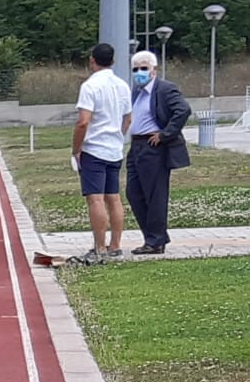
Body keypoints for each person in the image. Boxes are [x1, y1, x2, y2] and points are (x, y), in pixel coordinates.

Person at [69, 42, 133, 265]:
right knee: (113, 197)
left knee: (95, 198)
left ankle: (99, 247)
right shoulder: (123, 85)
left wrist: (76, 149)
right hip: (114, 148)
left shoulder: (90, 86)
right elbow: (128, 118)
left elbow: (83, 121)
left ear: (92, 60)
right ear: (113, 61)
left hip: (94, 148)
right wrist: (117, 136)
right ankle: (115, 245)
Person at [126, 49, 192, 256]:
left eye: (144, 68)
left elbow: (183, 110)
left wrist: (165, 134)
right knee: (133, 192)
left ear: (153, 70)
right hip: (136, 145)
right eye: (135, 69)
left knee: (154, 194)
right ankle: (155, 237)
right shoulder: (136, 92)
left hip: (153, 146)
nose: (139, 72)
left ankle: (154, 241)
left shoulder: (165, 89)